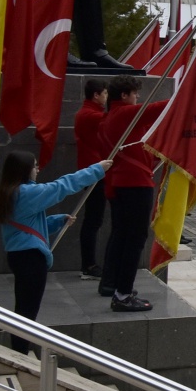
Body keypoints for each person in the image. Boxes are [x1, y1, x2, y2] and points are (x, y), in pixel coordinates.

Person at [0, 152, 114, 351]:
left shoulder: (11, 191)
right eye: (34, 166)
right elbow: (61, 186)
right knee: (27, 311)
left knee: (24, 307)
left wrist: (57, 221)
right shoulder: (26, 193)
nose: (37, 169)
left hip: (20, 256)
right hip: (31, 259)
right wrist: (96, 170)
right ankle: (19, 353)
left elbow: (26, 225)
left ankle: (18, 348)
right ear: (24, 171)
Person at [98, 76, 165, 312]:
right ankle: (123, 294)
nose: (138, 98)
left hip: (122, 184)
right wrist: (194, 101)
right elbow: (159, 108)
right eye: (135, 94)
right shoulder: (125, 114)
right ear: (124, 95)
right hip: (135, 184)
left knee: (124, 238)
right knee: (134, 241)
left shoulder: (109, 118)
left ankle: (116, 286)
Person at [73, 79, 108, 280]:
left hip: (93, 170)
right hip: (94, 172)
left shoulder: (87, 113)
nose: (106, 98)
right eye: (104, 94)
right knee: (93, 220)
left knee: (94, 219)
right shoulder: (90, 115)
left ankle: (89, 264)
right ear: (96, 95)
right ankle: (88, 265)